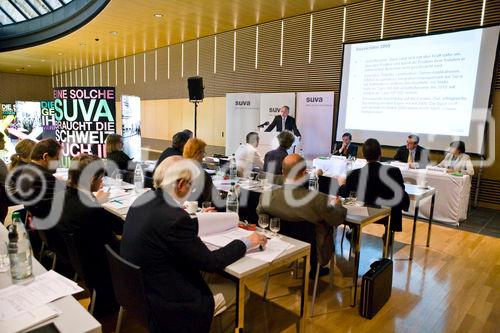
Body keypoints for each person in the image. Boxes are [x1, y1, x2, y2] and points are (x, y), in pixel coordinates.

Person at [121, 156, 267, 333]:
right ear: (181, 184)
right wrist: (246, 242)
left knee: (212, 278)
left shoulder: (143, 200)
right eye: (191, 185)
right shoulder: (174, 219)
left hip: (141, 292)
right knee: (239, 292)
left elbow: (166, 228)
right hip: (170, 303)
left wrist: (194, 218)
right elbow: (211, 263)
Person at [54, 154, 123, 318]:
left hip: (80, 261)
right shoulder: (91, 210)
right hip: (101, 265)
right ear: (92, 178)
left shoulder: (63, 197)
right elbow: (120, 229)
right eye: (101, 178)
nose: (102, 182)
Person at [257, 154, 347, 278]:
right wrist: (338, 205)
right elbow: (337, 219)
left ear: (283, 172)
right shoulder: (319, 200)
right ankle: (315, 267)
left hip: (279, 245)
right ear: (305, 173)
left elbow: (261, 215)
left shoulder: (267, 196)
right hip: (313, 248)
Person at [338, 138, 410, 241]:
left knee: (349, 202)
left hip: (360, 212)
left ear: (363, 154)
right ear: (380, 153)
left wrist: (341, 185)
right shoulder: (394, 171)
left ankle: (354, 229)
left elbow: (345, 194)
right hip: (387, 214)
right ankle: (389, 231)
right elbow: (401, 193)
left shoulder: (354, 174)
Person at [7, 138, 65, 221]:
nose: (59, 163)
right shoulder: (43, 178)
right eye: (57, 159)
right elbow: (66, 205)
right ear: (45, 156)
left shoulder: (27, 170)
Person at [182, 137, 221, 206]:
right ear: (197, 153)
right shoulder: (203, 176)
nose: (203, 156)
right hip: (200, 211)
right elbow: (213, 200)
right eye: (203, 152)